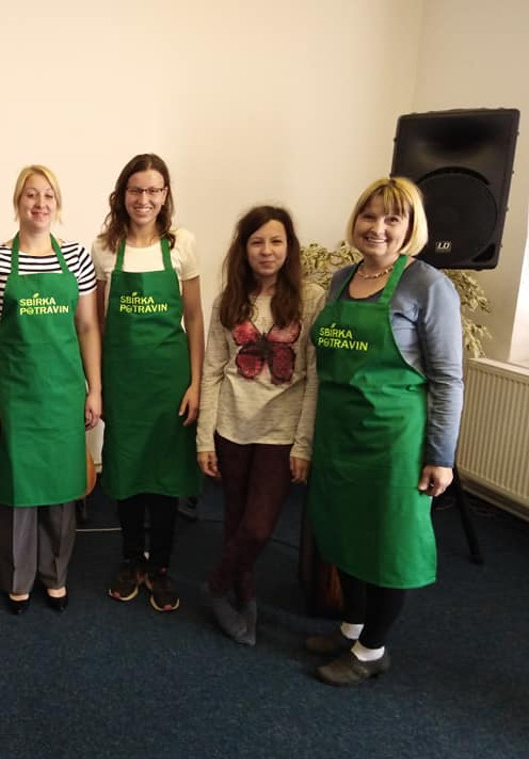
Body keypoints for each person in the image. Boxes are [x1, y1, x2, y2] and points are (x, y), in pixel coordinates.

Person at [305, 177, 463, 685]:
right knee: (344, 532)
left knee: (388, 542)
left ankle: (373, 649)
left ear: (411, 228)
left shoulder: (427, 286)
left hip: (395, 440)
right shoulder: (340, 280)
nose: (378, 227)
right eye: (369, 215)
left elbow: (448, 379)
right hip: (340, 431)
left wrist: (440, 455)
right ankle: (352, 628)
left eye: (393, 218)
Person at [0, 164, 102, 614]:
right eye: (31, 194)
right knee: (18, 491)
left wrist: (94, 389)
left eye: (48, 195)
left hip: (64, 393)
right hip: (15, 394)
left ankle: (55, 574)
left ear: (57, 204)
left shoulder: (77, 258)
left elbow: (88, 327)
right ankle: (18, 578)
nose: (40, 203)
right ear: (18, 201)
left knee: (63, 489)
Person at [196, 205, 324, 644]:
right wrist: (204, 438)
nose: (266, 251)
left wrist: (303, 444)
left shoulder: (311, 299)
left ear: (289, 247)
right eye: (257, 242)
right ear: (244, 248)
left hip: (280, 433)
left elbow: (314, 377)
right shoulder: (229, 300)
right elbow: (212, 371)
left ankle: (215, 587)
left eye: (276, 241)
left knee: (258, 527)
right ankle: (246, 598)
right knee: (235, 521)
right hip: (231, 427)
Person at [92, 154, 204, 612]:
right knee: (126, 473)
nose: (145, 198)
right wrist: (96, 384)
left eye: (154, 190)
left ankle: (159, 566)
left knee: (164, 477)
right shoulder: (104, 248)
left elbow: (194, 318)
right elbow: (97, 325)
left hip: (169, 382)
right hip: (122, 381)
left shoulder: (182, 244)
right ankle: (129, 559)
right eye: (136, 190)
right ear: (122, 195)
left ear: (165, 195)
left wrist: (196, 383)